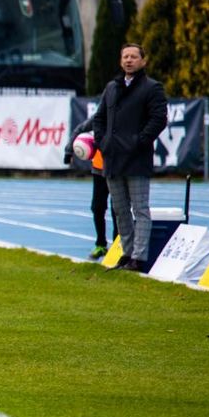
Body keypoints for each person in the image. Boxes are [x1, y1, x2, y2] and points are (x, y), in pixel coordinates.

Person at [92, 43, 168, 272]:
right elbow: (99, 118)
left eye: (134, 56)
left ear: (143, 61)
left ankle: (139, 256)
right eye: (125, 56)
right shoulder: (112, 88)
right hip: (113, 159)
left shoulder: (152, 88)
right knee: (120, 209)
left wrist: (139, 141)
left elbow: (158, 119)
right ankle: (126, 253)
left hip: (136, 159)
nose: (129, 60)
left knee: (140, 209)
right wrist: (103, 142)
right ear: (120, 60)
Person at [65, 113, 116, 260]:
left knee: (117, 209)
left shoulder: (123, 115)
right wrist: (69, 150)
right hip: (99, 169)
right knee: (97, 207)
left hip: (117, 169)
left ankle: (117, 245)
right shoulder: (100, 116)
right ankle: (101, 244)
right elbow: (80, 129)